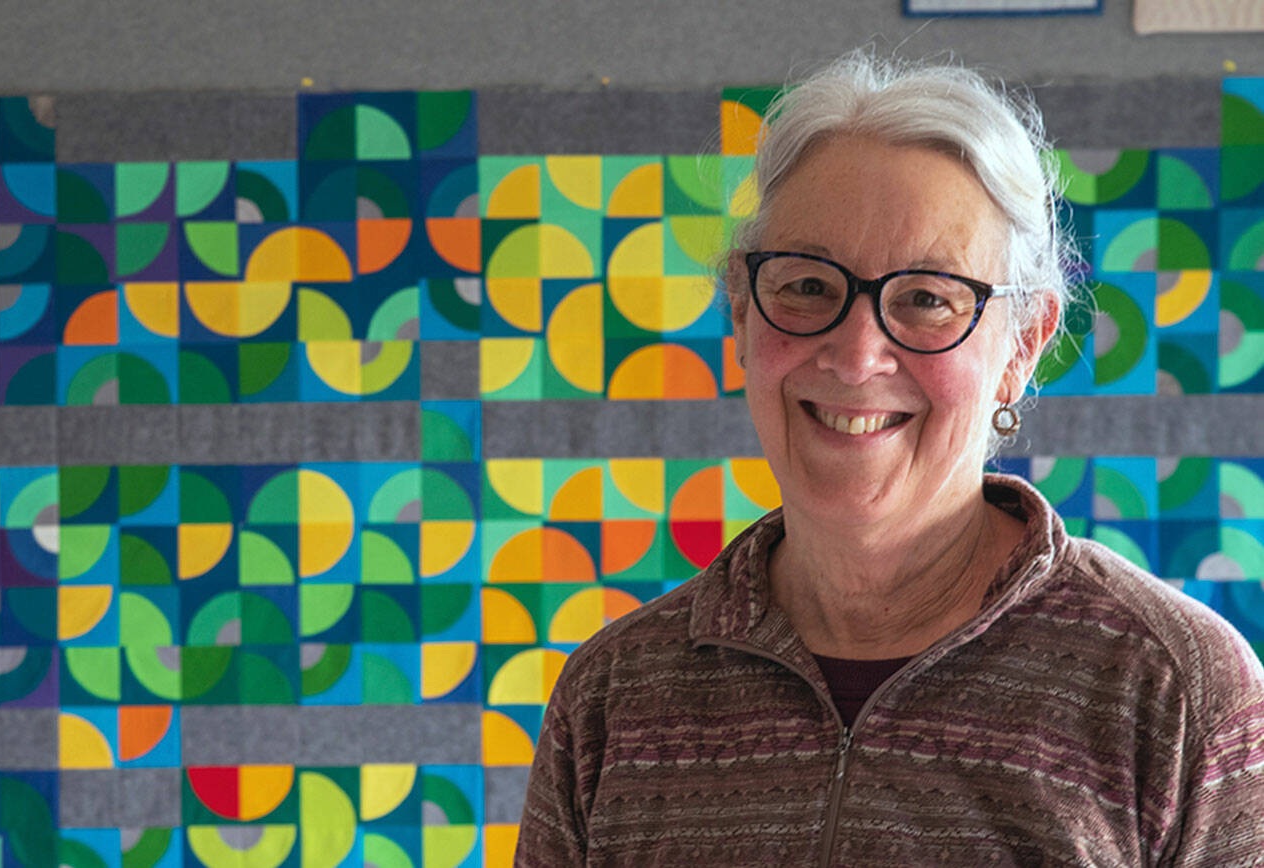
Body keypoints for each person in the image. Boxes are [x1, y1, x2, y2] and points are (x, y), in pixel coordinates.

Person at [515, 51, 1264, 866]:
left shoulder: (1176, 689)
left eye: (927, 299)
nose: (857, 353)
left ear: (1024, 344)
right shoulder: (615, 697)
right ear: (740, 305)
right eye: (806, 286)